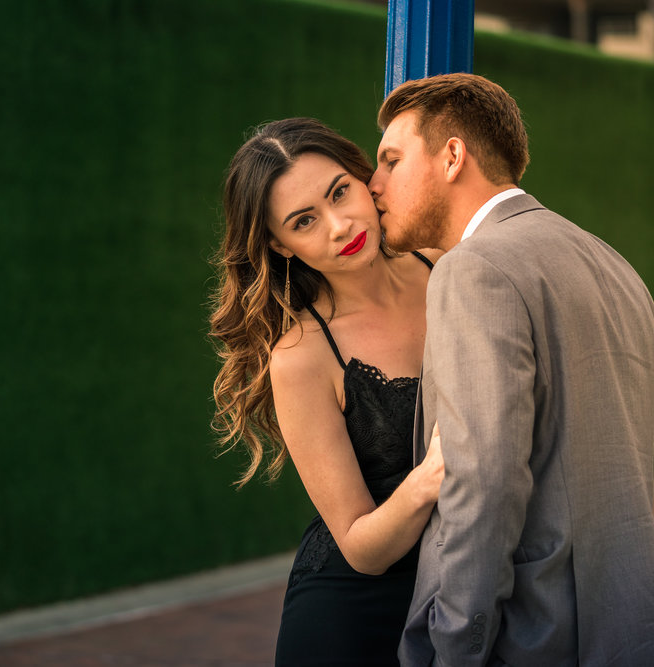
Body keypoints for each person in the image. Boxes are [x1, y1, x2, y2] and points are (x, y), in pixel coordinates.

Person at [367, 73, 654, 666]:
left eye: (390, 159)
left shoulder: (473, 270)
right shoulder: (613, 264)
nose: (374, 183)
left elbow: (483, 484)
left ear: (453, 156)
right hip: (641, 629)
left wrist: (452, 650)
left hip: (535, 639)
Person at [209, 117, 445, 666]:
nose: (340, 225)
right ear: (279, 244)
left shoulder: (447, 263)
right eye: (305, 221)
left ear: (364, 179)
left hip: (465, 590)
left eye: (340, 192)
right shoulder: (302, 358)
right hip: (355, 617)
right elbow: (361, 548)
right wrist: (434, 474)